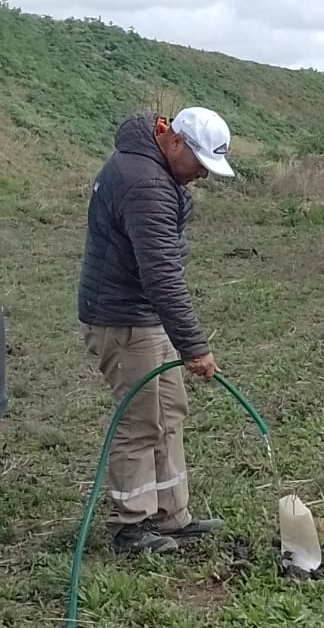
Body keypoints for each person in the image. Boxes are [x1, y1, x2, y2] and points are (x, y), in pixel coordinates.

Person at [77, 107, 235, 553]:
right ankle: (130, 526)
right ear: (176, 142)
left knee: (168, 410)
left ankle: (170, 515)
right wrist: (195, 347)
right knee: (141, 419)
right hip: (122, 318)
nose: (202, 177)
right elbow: (162, 274)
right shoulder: (145, 183)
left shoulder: (151, 166)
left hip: (142, 314)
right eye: (199, 166)